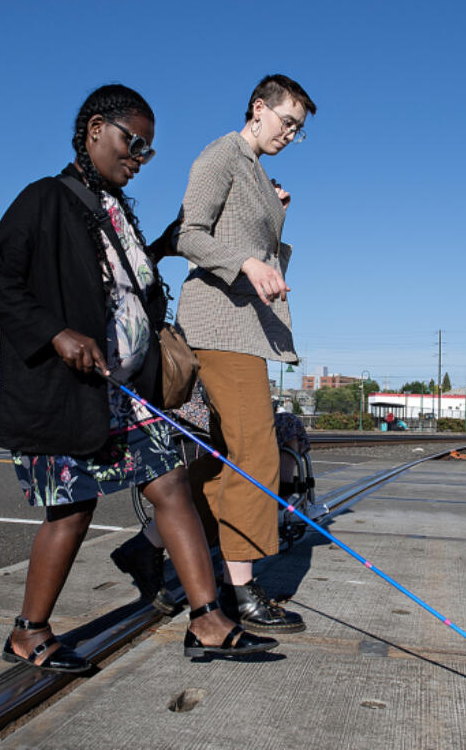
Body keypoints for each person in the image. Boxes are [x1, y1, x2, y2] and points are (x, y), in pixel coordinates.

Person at [0, 84, 277, 671]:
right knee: (71, 509)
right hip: (66, 391)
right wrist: (56, 334)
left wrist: (164, 246)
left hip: (124, 392)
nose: (138, 158)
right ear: (94, 129)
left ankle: (208, 620)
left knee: (169, 486)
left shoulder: (116, 210)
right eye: (131, 143)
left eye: (148, 151)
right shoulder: (46, 199)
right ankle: (28, 631)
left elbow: (128, 290)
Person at [111, 74, 316, 635]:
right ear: (259, 107)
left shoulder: (257, 173)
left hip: (244, 327)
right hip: (220, 328)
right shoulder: (222, 154)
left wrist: (276, 218)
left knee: (215, 455)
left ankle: (148, 546)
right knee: (256, 454)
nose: (290, 135)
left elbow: (249, 247)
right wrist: (248, 263)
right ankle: (242, 590)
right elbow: (189, 234)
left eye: (298, 130)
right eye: (287, 122)